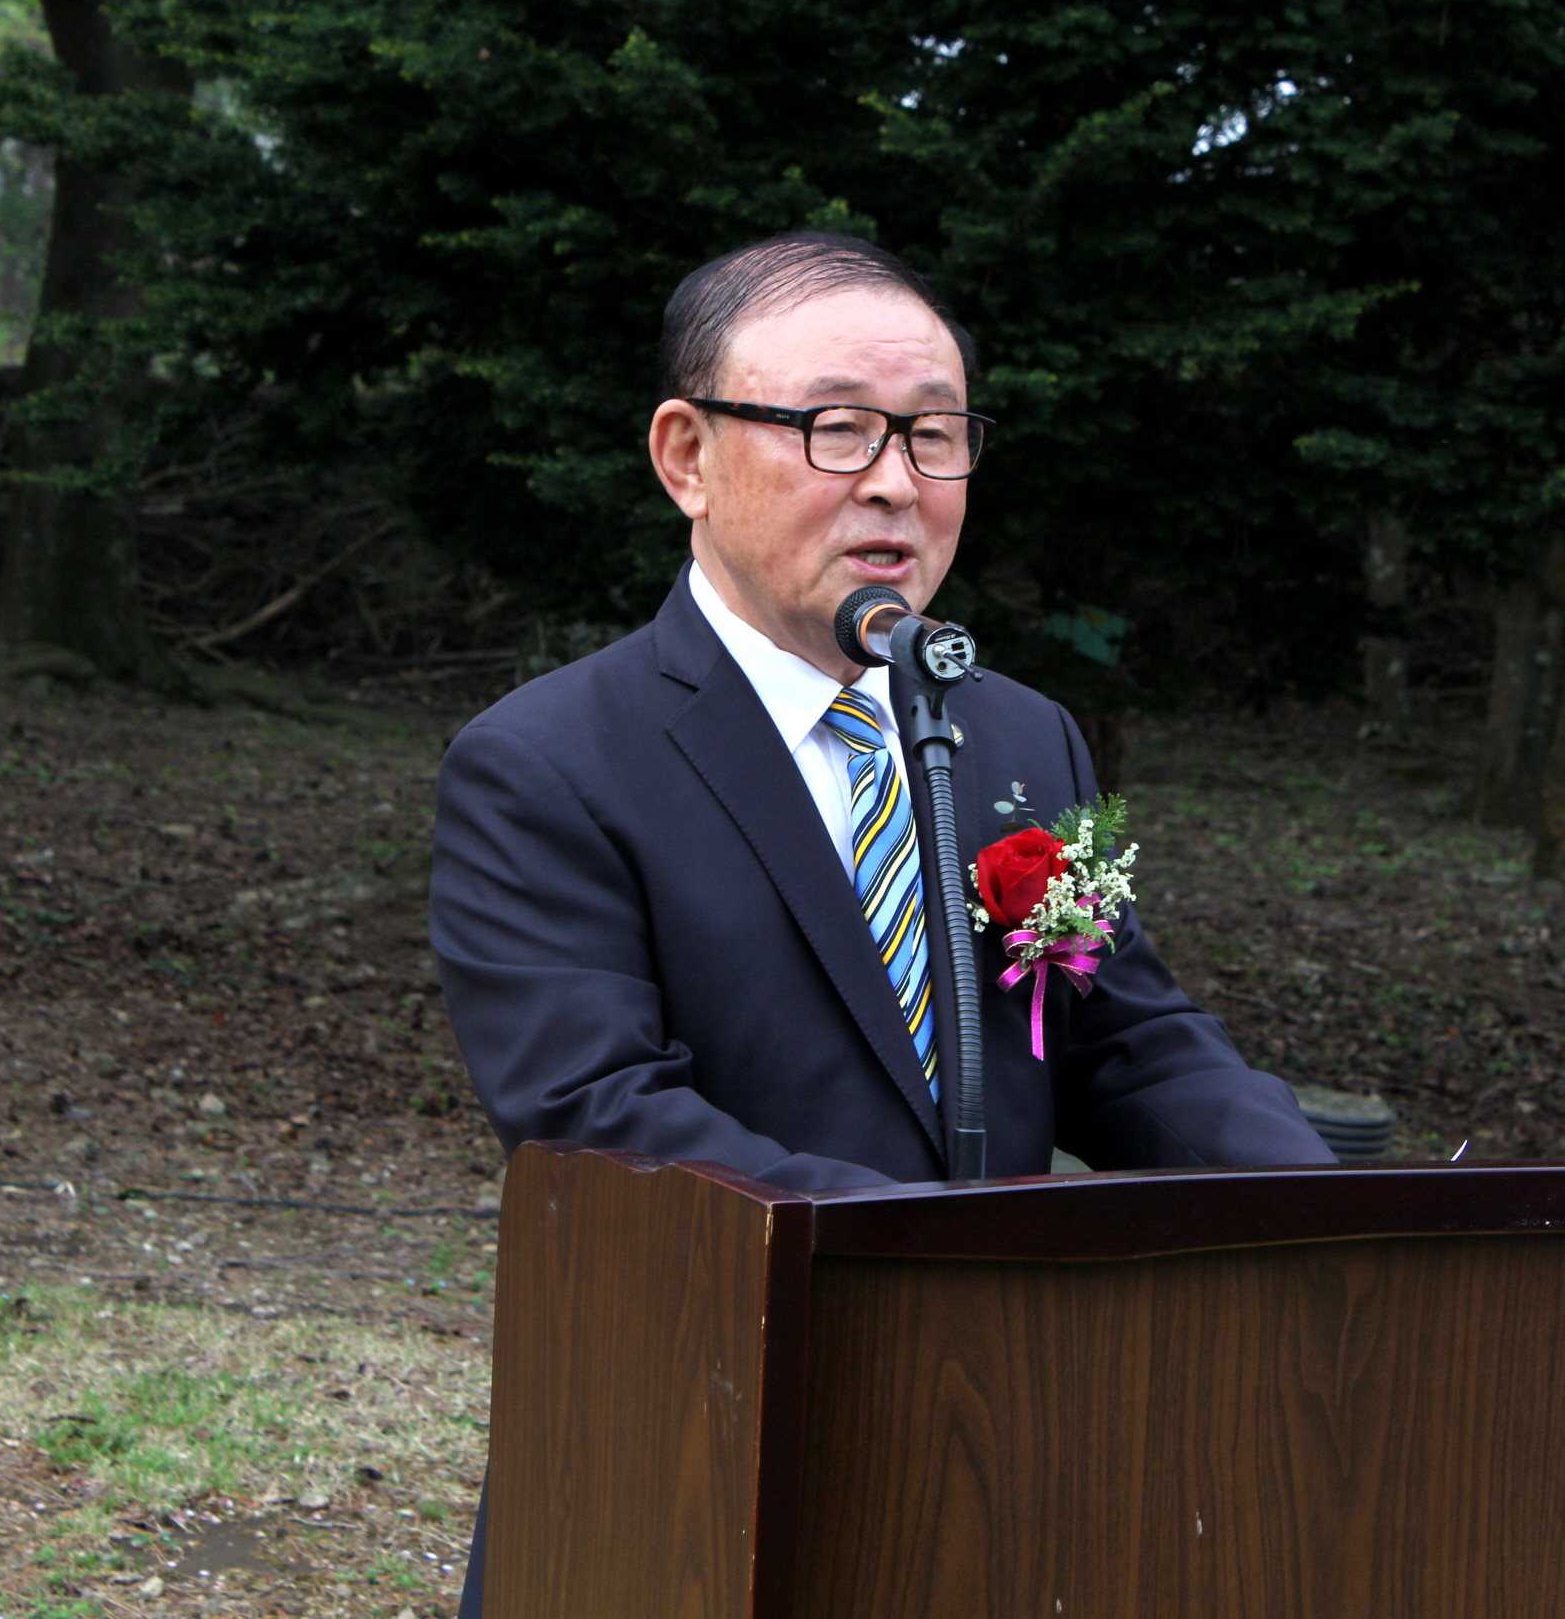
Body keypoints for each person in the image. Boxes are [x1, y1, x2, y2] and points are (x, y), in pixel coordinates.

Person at [429, 231, 1331, 1614]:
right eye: (837, 429)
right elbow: (598, 1115)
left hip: (996, 1442)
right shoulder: (550, 761)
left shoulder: (1018, 737)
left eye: (936, 435)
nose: (897, 484)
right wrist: (940, 1261)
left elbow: (1127, 1043)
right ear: (686, 456)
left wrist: (1338, 1214)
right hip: (693, 1445)